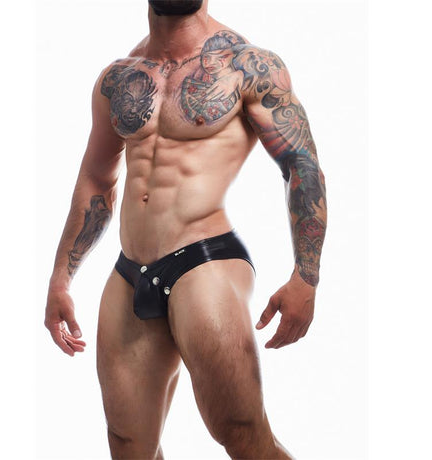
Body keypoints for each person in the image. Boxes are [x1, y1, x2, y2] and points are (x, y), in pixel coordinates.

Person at [44, 0, 327, 458]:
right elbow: (97, 179)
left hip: (204, 259)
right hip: (130, 271)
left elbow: (301, 166)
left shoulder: (248, 67)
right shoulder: (118, 78)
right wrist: (61, 279)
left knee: (240, 432)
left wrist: (306, 276)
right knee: (128, 445)